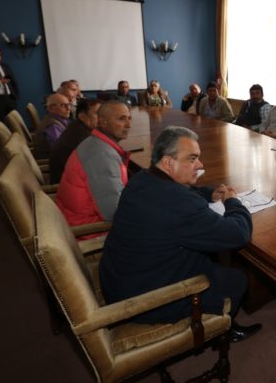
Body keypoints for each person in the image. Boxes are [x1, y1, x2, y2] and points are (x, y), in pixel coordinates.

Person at [99, 126, 262, 342]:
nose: (200, 165)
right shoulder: (179, 204)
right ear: (168, 163)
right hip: (145, 301)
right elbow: (238, 233)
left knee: (208, 254)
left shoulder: (142, 178)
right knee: (237, 278)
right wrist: (233, 202)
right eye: (193, 158)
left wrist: (208, 194)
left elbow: (181, 192)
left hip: (119, 278)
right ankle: (221, 333)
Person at [55, 101, 132, 231]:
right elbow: (113, 212)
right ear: (102, 122)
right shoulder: (102, 155)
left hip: (73, 217)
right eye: (121, 119)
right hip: (88, 230)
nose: (129, 125)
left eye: (129, 118)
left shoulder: (94, 143)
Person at [48, 98, 102, 184]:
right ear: (82, 116)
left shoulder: (76, 126)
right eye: (97, 114)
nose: (102, 118)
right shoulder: (84, 139)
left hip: (66, 179)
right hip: (67, 185)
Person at [31, 93, 70, 160]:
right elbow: (61, 151)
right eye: (63, 105)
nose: (68, 108)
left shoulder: (54, 119)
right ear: (51, 108)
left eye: (68, 105)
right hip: (52, 164)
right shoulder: (52, 126)